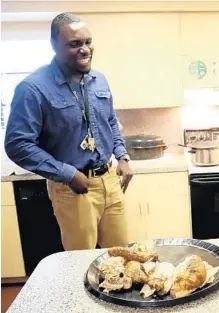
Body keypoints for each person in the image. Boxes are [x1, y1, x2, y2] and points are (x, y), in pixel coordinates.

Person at [5, 13, 133, 250]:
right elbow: (17, 144)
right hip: (73, 188)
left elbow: (110, 121)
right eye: (74, 44)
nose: (84, 49)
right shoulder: (33, 88)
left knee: (121, 256)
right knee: (80, 263)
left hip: (109, 180)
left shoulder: (99, 79)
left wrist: (122, 155)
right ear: (54, 45)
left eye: (87, 42)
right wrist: (67, 174)